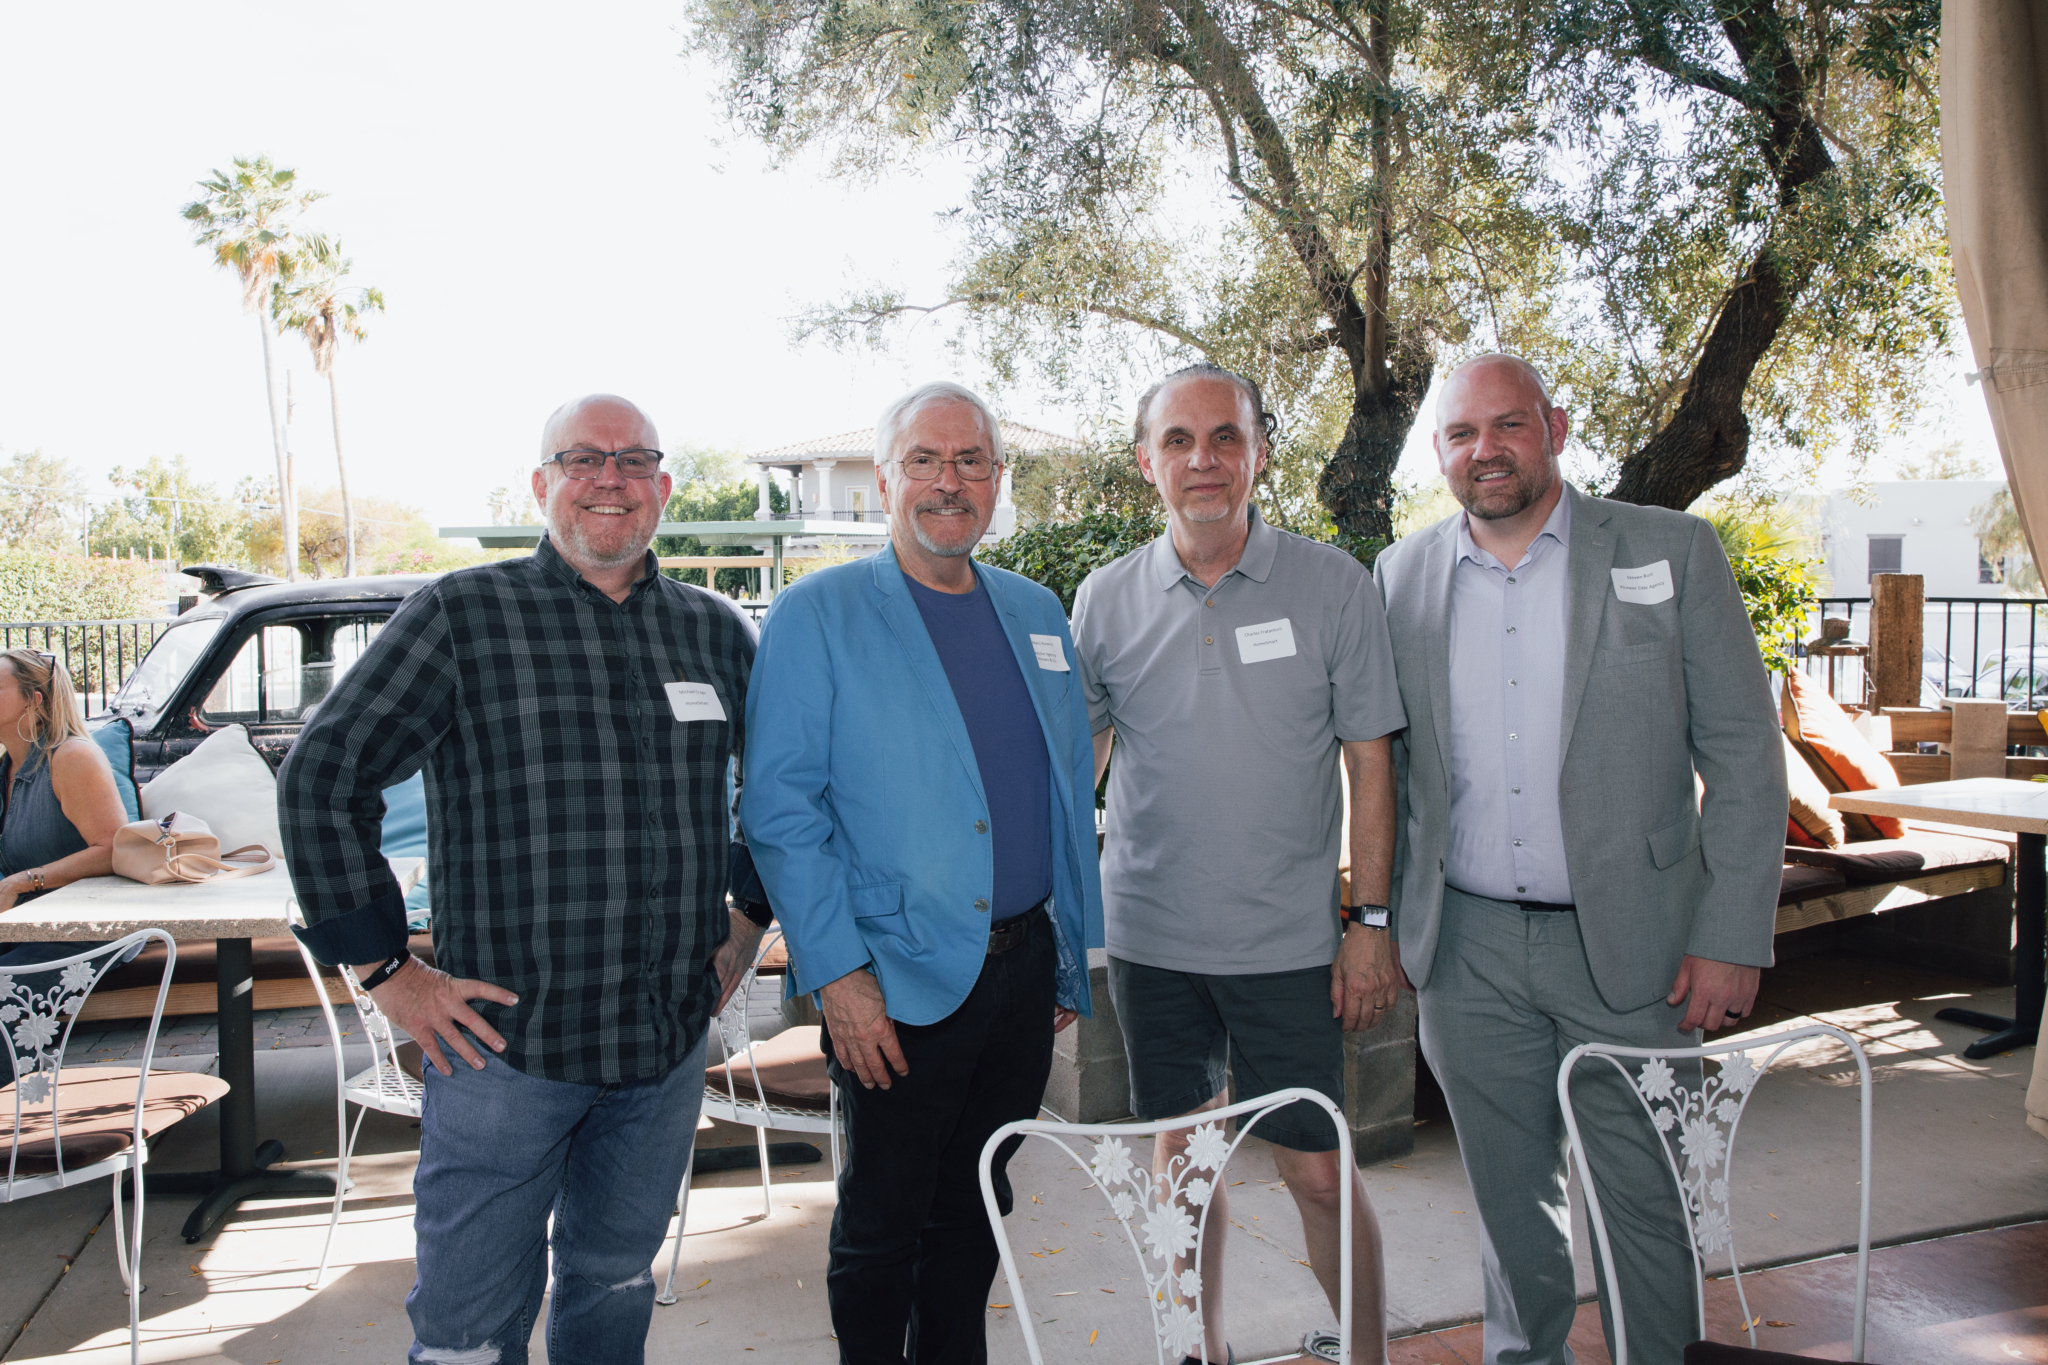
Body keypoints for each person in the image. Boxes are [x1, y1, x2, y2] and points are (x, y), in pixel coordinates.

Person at [279, 394, 764, 1365]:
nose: (609, 479)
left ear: (663, 486)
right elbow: (322, 777)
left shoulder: (714, 631)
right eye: (582, 459)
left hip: (662, 1044)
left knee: (614, 1283)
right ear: (542, 484)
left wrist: (747, 913)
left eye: (633, 461)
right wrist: (387, 971)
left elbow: (784, 785)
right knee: (467, 1330)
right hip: (506, 1050)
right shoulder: (462, 616)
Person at [1373, 353, 1784, 1365]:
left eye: (1507, 425)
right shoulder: (1401, 574)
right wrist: (1380, 922)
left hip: (1640, 950)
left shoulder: (1670, 549)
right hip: (1464, 951)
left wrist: (1732, 933)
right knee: (1509, 1212)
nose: (1485, 450)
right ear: (1439, 452)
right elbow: (1393, 765)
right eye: (1461, 434)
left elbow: (1743, 753)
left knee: (1645, 1206)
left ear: (1554, 428)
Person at [742, 381, 1103, 1365]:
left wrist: (1067, 953)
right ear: (885, 478)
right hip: (890, 981)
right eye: (925, 461)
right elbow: (779, 811)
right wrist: (837, 974)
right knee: (882, 1227)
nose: (949, 481)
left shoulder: (1036, 611)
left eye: (970, 461)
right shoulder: (817, 614)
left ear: (997, 477)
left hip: (1023, 971)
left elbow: (1063, 783)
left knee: (976, 1210)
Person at [1070, 362, 1407, 1365]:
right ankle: (1195, 1353)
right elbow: (1078, 766)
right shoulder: (1104, 597)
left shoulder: (1332, 585)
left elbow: (1371, 763)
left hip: (1286, 944)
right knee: (1183, 1167)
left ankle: (1367, 1354)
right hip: (1152, 940)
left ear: (1259, 452)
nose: (1203, 460)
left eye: (1225, 437)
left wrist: (1369, 924)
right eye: (1178, 440)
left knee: (1317, 1173)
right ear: (1147, 463)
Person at [0, 649, 129, 1080]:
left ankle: (18, 1111)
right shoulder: (8, 766)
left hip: (85, 929)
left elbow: (111, 847)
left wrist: (23, 881)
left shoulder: (70, 757)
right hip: (28, 923)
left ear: (34, 700)